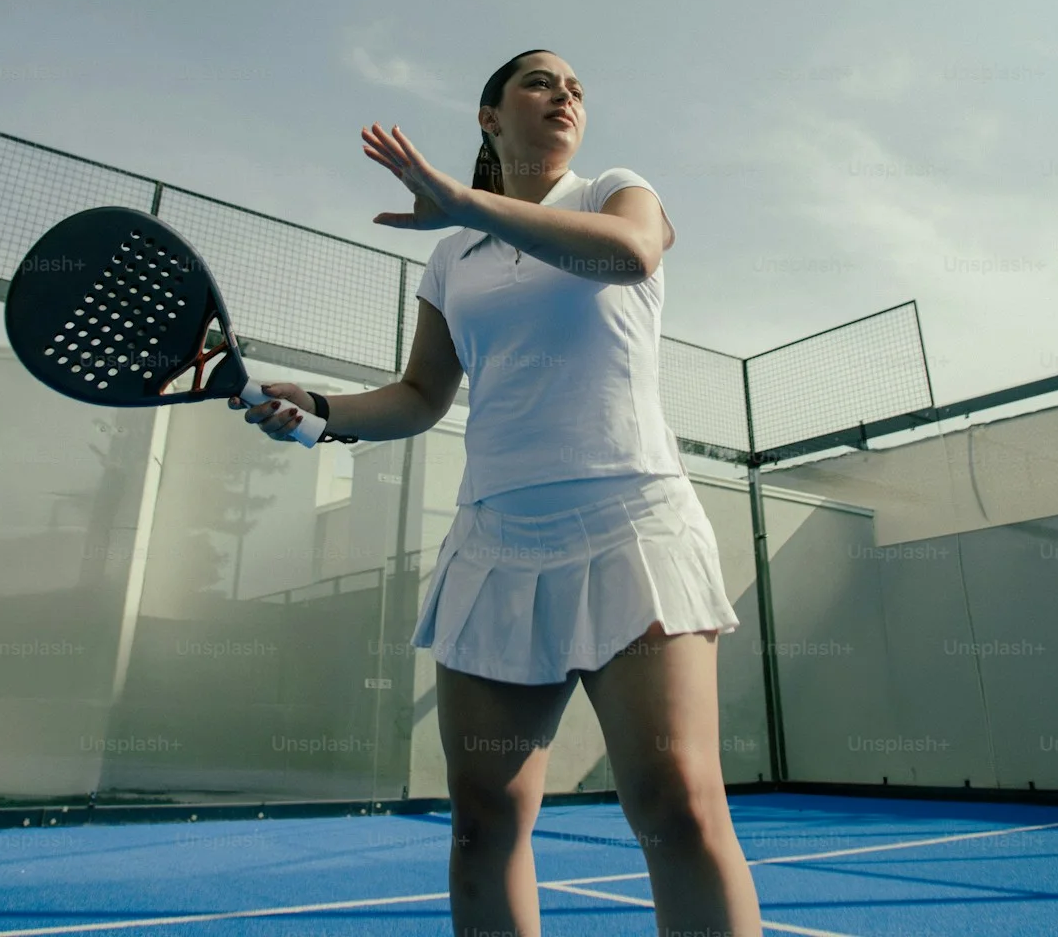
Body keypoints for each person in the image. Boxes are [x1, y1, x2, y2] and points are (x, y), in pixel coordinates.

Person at [230, 49, 762, 937]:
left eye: (577, 88)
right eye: (540, 82)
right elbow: (420, 396)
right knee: (482, 825)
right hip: (495, 546)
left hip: (632, 527)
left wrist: (468, 200)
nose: (566, 95)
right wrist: (319, 409)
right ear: (490, 116)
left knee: (677, 811)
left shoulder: (615, 193)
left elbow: (633, 256)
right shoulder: (448, 260)